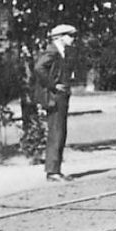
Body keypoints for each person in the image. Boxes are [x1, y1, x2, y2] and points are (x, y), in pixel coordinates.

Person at [34, 24, 77, 182]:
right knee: (56, 132)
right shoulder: (53, 50)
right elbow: (39, 68)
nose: (72, 39)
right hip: (54, 97)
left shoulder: (60, 51)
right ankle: (52, 171)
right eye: (70, 36)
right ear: (60, 37)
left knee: (59, 132)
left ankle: (55, 169)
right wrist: (52, 84)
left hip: (60, 96)